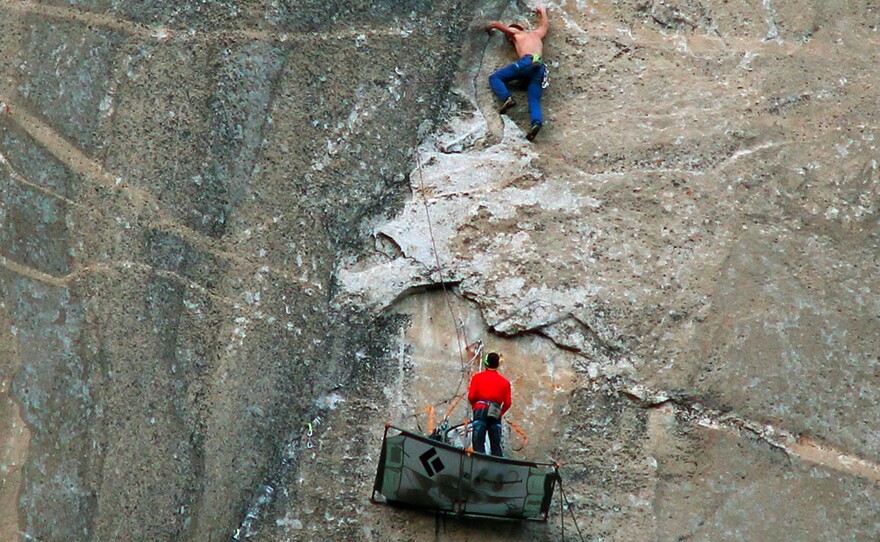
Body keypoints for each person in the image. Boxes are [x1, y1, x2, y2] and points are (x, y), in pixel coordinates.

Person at [485, 4, 550, 141]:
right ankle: (536, 123)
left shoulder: (517, 34)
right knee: (534, 99)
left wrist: (487, 27)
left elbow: (495, 24)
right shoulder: (536, 35)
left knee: (495, 78)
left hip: (526, 62)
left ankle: (507, 98)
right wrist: (542, 11)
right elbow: (544, 26)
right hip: (539, 66)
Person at [467, 352, 512, 456]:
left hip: (480, 409)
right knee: (495, 444)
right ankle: (496, 465)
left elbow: (471, 397)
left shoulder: (477, 377)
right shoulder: (505, 382)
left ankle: (479, 463)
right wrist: (501, 413)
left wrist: (475, 406)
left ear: (485, 363)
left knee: (478, 443)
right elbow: (508, 403)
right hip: (495, 411)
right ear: (498, 365)